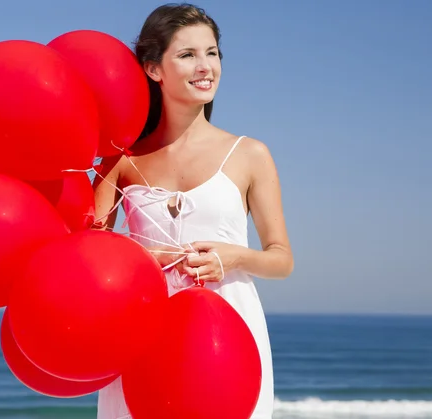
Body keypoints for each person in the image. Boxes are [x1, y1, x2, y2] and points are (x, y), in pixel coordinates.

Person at [92, 3, 294, 418]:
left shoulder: (249, 154)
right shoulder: (121, 162)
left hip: (227, 338)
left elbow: (281, 259)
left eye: (212, 53)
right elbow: (87, 254)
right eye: (187, 55)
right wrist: (141, 260)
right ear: (154, 69)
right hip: (140, 334)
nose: (206, 67)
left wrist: (232, 256)